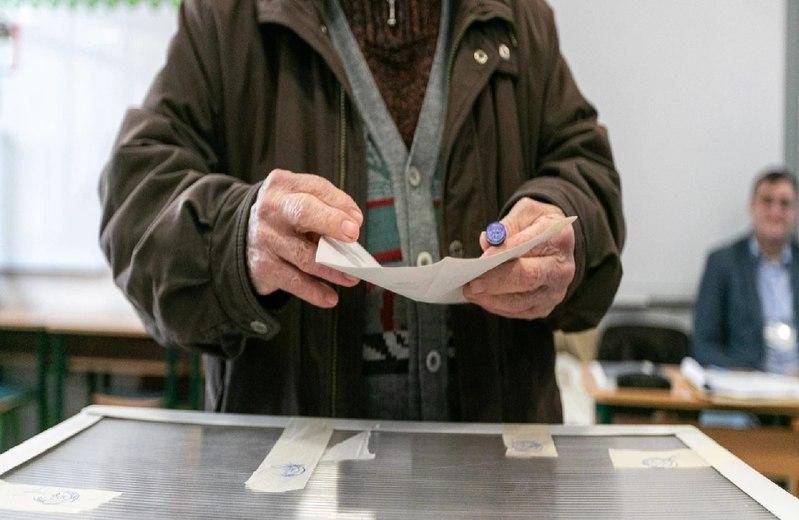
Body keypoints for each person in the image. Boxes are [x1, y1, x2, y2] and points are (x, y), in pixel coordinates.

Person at [99, 0, 624, 422]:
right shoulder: (228, 18)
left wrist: (562, 224)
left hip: (499, 490)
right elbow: (136, 204)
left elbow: (589, 174)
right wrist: (238, 236)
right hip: (294, 496)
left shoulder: (518, 17)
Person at [693, 169, 799, 375]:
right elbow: (704, 345)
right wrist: (744, 374)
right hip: (745, 382)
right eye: (767, 201)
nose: (775, 212)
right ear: (752, 206)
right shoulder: (722, 262)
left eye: (785, 204)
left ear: (795, 212)